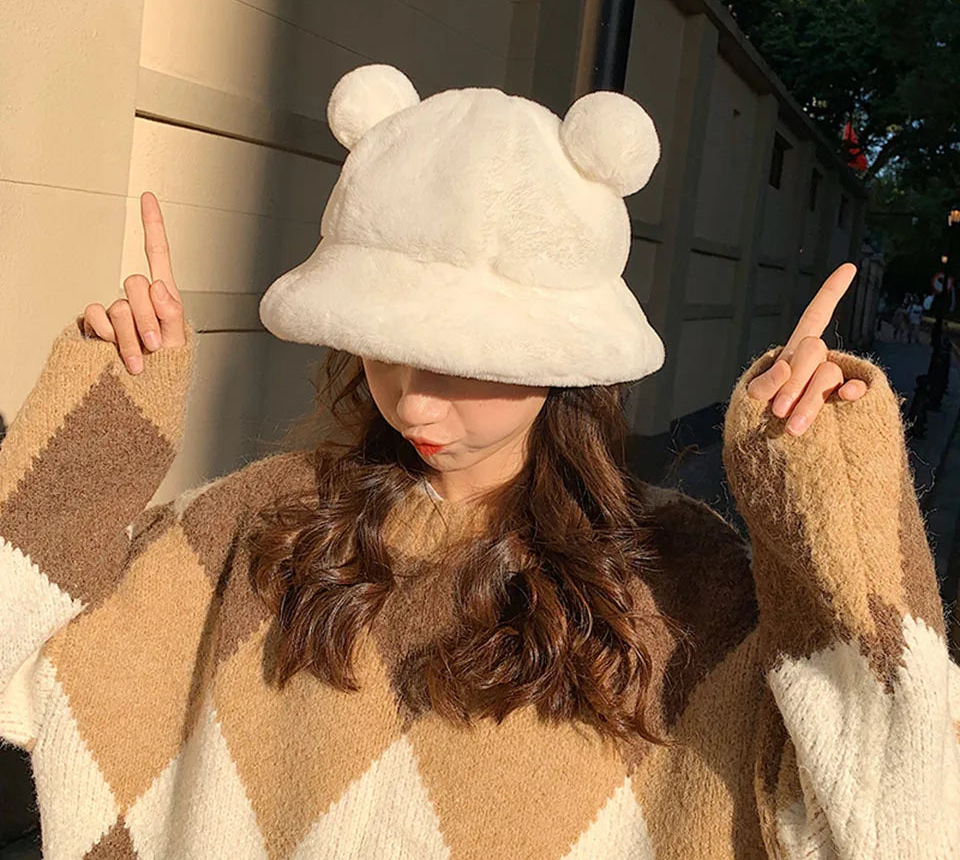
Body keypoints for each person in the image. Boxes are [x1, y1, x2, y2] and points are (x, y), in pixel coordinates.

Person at [1, 63, 957, 859]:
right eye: (382, 344)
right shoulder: (260, 528)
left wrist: (826, 488)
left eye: (468, 359)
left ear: (564, 353)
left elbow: (891, 819)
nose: (415, 401)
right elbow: (24, 660)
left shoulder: (683, 582)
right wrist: (106, 427)